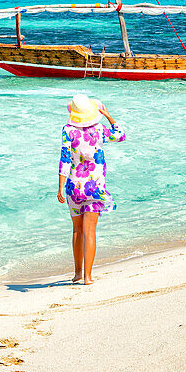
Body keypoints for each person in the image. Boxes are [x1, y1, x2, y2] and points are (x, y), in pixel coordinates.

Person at [57, 94, 126, 285]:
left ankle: (77, 273)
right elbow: (121, 135)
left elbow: (64, 159)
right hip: (95, 187)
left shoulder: (67, 130)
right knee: (90, 232)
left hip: (74, 188)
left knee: (77, 230)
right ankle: (88, 277)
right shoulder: (99, 129)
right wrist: (109, 116)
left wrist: (61, 188)